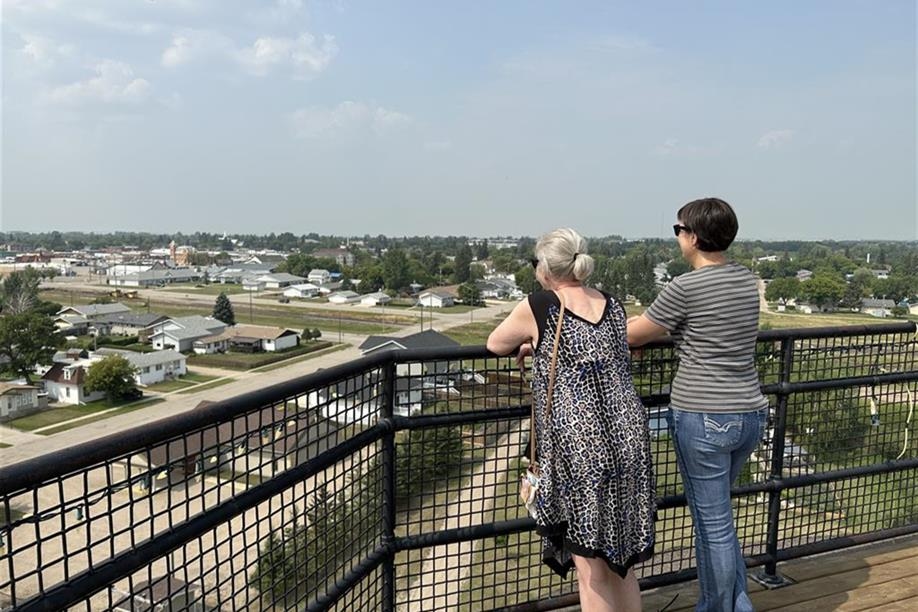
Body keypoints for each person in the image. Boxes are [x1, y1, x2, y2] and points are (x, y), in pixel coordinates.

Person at [487, 228, 655, 612]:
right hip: (628, 437)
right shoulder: (612, 304)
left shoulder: (541, 304)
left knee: (591, 568)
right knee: (622, 562)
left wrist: (531, 342)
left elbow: (496, 343)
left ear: (546, 268)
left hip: (579, 447)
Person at [627, 197, 768, 612]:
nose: (677, 238)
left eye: (678, 230)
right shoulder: (746, 279)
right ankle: (737, 603)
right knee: (720, 519)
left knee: (713, 526)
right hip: (749, 412)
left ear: (693, 236)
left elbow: (636, 334)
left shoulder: (685, 287)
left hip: (705, 415)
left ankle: (718, 607)